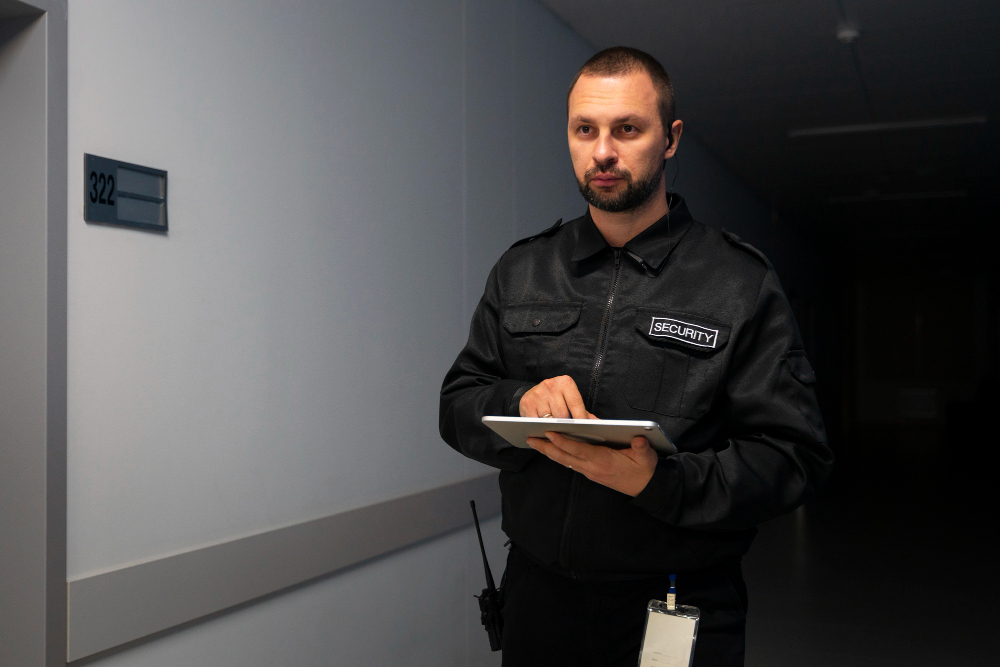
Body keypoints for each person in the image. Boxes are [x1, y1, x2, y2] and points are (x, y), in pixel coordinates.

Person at [439, 46, 833, 667]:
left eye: (627, 129)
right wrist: (517, 400)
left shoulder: (736, 281)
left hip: (677, 606)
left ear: (670, 139)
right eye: (584, 130)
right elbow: (458, 401)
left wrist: (661, 481)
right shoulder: (522, 271)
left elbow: (794, 458)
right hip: (540, 602)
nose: (602, 151)